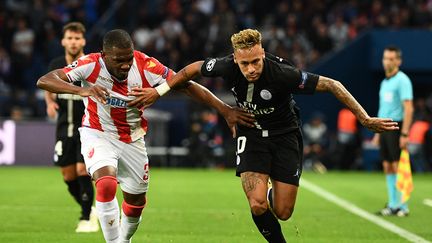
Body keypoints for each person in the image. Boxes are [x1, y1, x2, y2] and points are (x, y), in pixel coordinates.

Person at [134, 29, 399, 242]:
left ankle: (273, 190)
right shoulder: (226, 66)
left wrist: (365, 118)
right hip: (251, 135)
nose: (251, 69)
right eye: (245, 63)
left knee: (283, 212)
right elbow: (191, 70)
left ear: (263, 53)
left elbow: (333, 84)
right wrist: (159, 92)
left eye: (256, 61)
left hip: (285, 135)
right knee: (258, 204)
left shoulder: (284, 74)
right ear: (236, 59)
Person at [37, 29, 254, 243]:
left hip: (133, 139)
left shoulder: (145, 65)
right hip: (98, 133)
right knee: (106, 184)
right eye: (119, 60)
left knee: (136, 202)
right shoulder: (91, 64)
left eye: (128, 58)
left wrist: (225, 109)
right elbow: (46, 79)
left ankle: (123, 240)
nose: (125, 65)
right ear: (104, 56)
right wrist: (83, 90)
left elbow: (185, 85)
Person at [43, 22, 98, 233]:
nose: (73, 42)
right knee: (68, 175)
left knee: (82, 169)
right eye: (70, 38)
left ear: (83, 41)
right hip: (64, 126)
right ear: (63, 41)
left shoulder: (90, 64)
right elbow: (48, 84)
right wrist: (49, 102)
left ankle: (86, 218)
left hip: (87, 128)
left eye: (77, 38)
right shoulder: (56, 64)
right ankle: (90, 209)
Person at [373, 45, 414, 217]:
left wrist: (405, 134)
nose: (387, 61)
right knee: (387, 165)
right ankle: (392, 204)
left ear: (398, 61)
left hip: (396, 127)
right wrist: (377, 133)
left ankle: (403, 206)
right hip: (384, 128)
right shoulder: (385, 82)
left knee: (398, 165)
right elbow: (383, 109)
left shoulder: (402, 80)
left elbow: (409, 108)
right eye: (385, 58)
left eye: (391, 58)